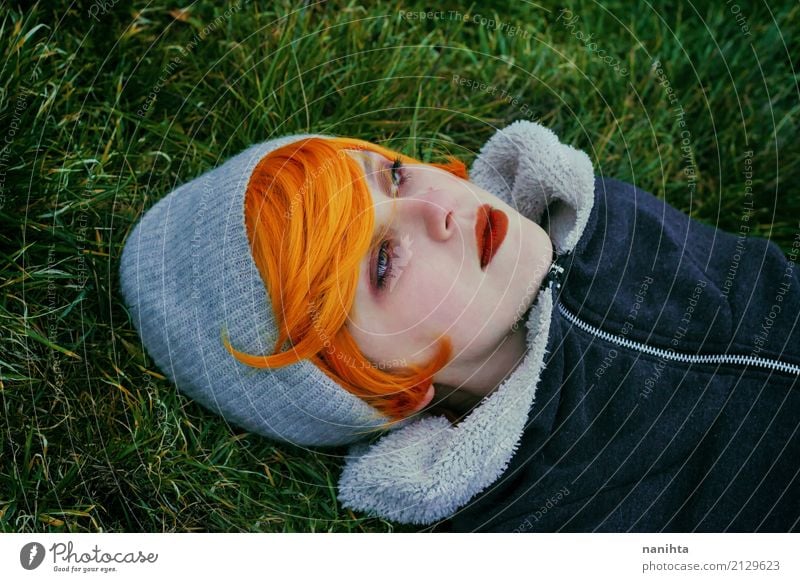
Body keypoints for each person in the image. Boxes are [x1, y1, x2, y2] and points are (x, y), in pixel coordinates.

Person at [119, 121, 800, 532]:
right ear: (384, 386)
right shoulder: (538, 526)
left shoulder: (606, 221)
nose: (437, 209)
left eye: (390, 175)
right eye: (383, 262)